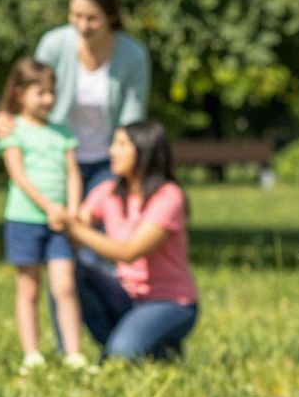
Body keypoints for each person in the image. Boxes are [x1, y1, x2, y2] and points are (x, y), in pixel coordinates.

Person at [48, 121, 199, 362]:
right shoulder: (108, 191)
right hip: (125, 294)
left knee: (123, 354)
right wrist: (60, 216)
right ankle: (113, 345)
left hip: (170, 302)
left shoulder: (169, 196)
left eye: (121, 145)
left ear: (144, 150)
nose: (112, 152)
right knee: (71, 274)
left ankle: (157, 349)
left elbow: (129, 252)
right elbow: (79, 221)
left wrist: (74, 228)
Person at [0, 0, 151, 194]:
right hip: (56, 155)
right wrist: (5, 114)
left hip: (107, 161)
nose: (83, 26)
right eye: (76, 15)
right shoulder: (53, 44)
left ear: (111, 16)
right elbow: (30, 91)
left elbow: (132, 120)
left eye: (92, 18)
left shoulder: (133, 55)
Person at [0, 58, 86, 369]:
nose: (48, 99)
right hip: (25, 219)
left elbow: (72, 173)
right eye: (40, 93)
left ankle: (73, 352)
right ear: (20, 94)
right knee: (29, 289)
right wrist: (49, 207)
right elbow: (18, 175)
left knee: (65, 286)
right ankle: (31, 353)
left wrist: (71, 210)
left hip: (60, 223)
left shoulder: (62, 132)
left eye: (51, 93)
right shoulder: (13, 130)